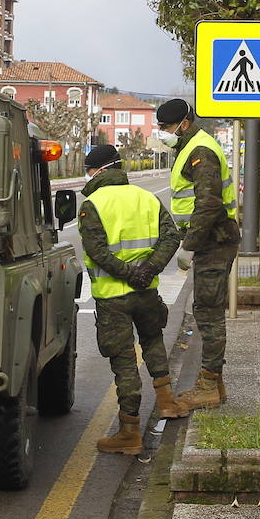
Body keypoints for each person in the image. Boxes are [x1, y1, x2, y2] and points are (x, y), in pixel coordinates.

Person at [77, 144, 187, 456]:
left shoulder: (92, 204)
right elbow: (171, 236)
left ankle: (129, 431)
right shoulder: (146, 198)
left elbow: (97, 252)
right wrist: (148, 269)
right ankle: (167, 402)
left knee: (124, 361)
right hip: (146, 292)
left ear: (97, 171)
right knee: (152, 340)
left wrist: (127, 274)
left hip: (114, 297)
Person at [154, 99, 240, 411]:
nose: (162, 132)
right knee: (206, 309)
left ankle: (207, 385)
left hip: (214, 241)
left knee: (208, 313)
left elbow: (208, 203)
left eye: (165, 127)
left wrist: (190, 245)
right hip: (211, 240)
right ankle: (214, 384)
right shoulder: (190, 148)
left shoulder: (200, 152)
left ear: (184, 123)